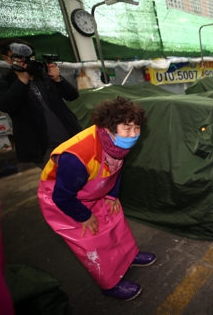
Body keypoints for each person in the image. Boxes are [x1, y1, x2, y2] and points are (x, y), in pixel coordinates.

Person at [37, 97, 156, 301]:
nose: (134, 134)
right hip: (64, 200)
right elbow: (62, 196)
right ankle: (109, 283)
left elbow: (117, 168)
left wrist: (111, 194)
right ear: (108, 127)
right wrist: (83, 216)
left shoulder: (117, 143)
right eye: (127, 129)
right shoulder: (77, 157)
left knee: (116, 220)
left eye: (137, 128)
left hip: (95, 188)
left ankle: (129, 256)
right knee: (92, 239)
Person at [0, 38, 82, 169]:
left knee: (89, 176)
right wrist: (22, 80)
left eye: (29, 56)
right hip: (44, 149)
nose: (26, 61)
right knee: (64, 183)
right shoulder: (4, 83)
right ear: (7, 59)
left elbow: (72, 96)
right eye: (19, 57)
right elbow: (7, 105)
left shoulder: (42, 76)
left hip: (72, 138)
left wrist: (58, 79)